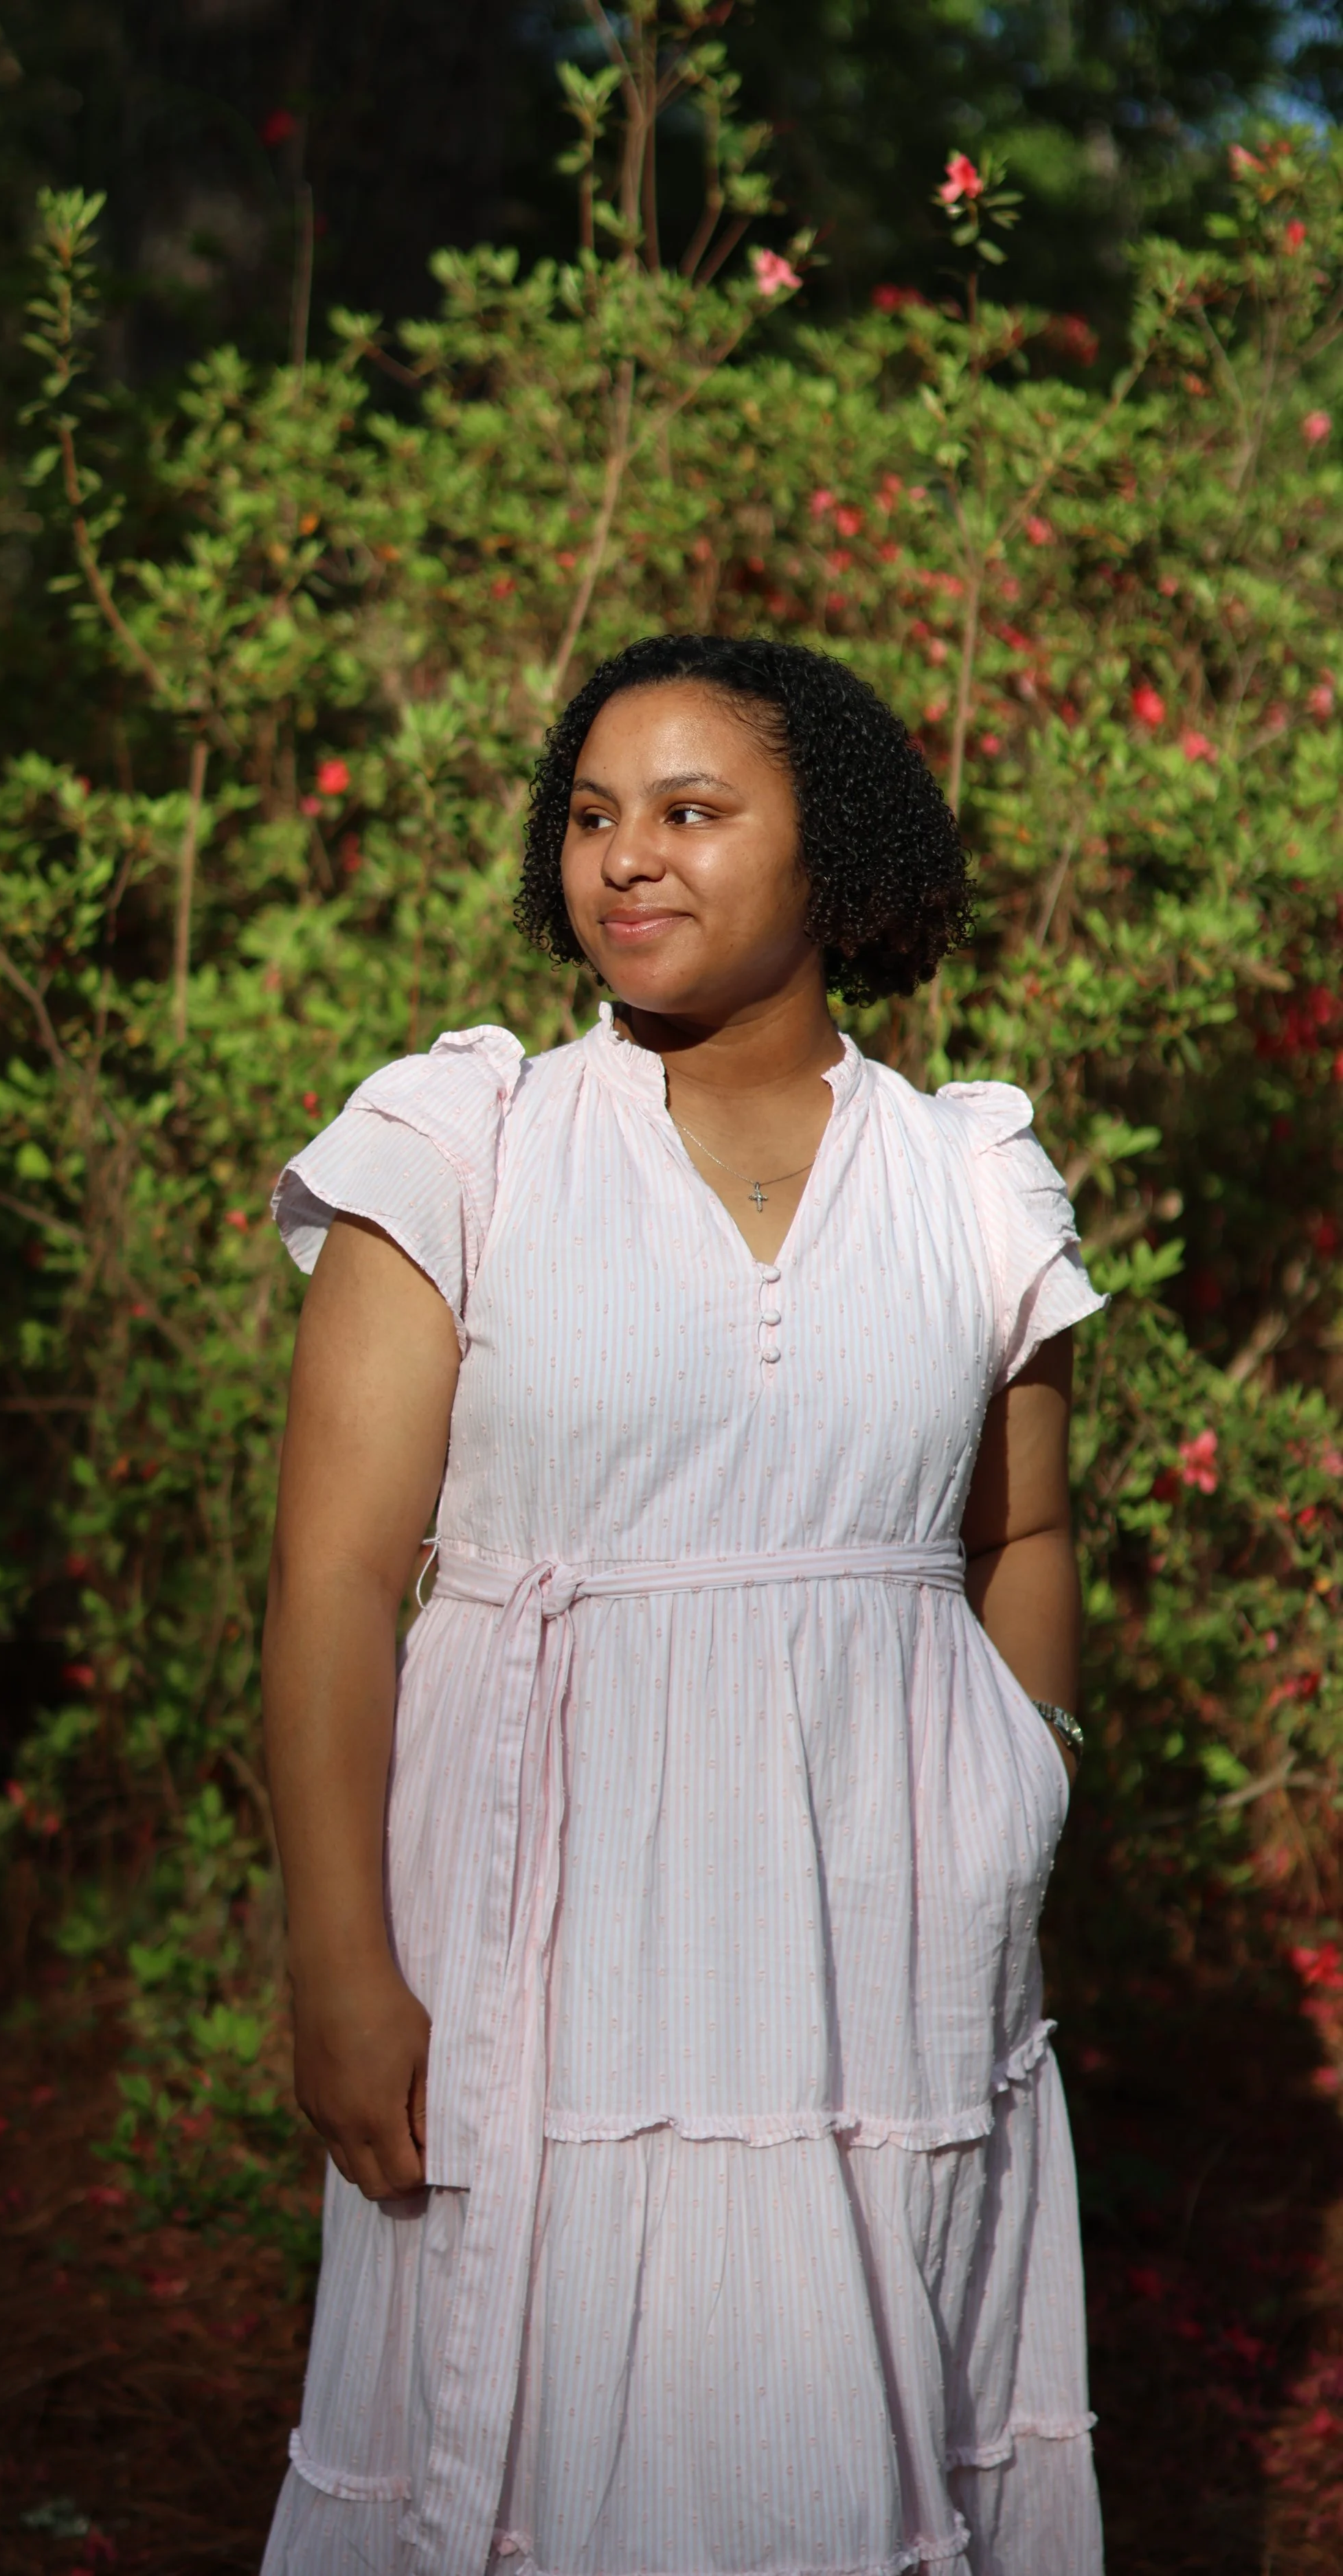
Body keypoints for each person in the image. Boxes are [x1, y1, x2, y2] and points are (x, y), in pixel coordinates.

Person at [260, 632, 1107, 2576]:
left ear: (833, 854)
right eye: (587, 815)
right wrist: (334, 1954)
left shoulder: (969, 1174)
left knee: (854, 2451)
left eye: (690, 810)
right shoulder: (457, 1140)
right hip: (531, 1943)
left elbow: (1022, 1536)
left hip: (884, 1955)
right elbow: (327, 1575)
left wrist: (1016, 1793)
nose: (624, 856)